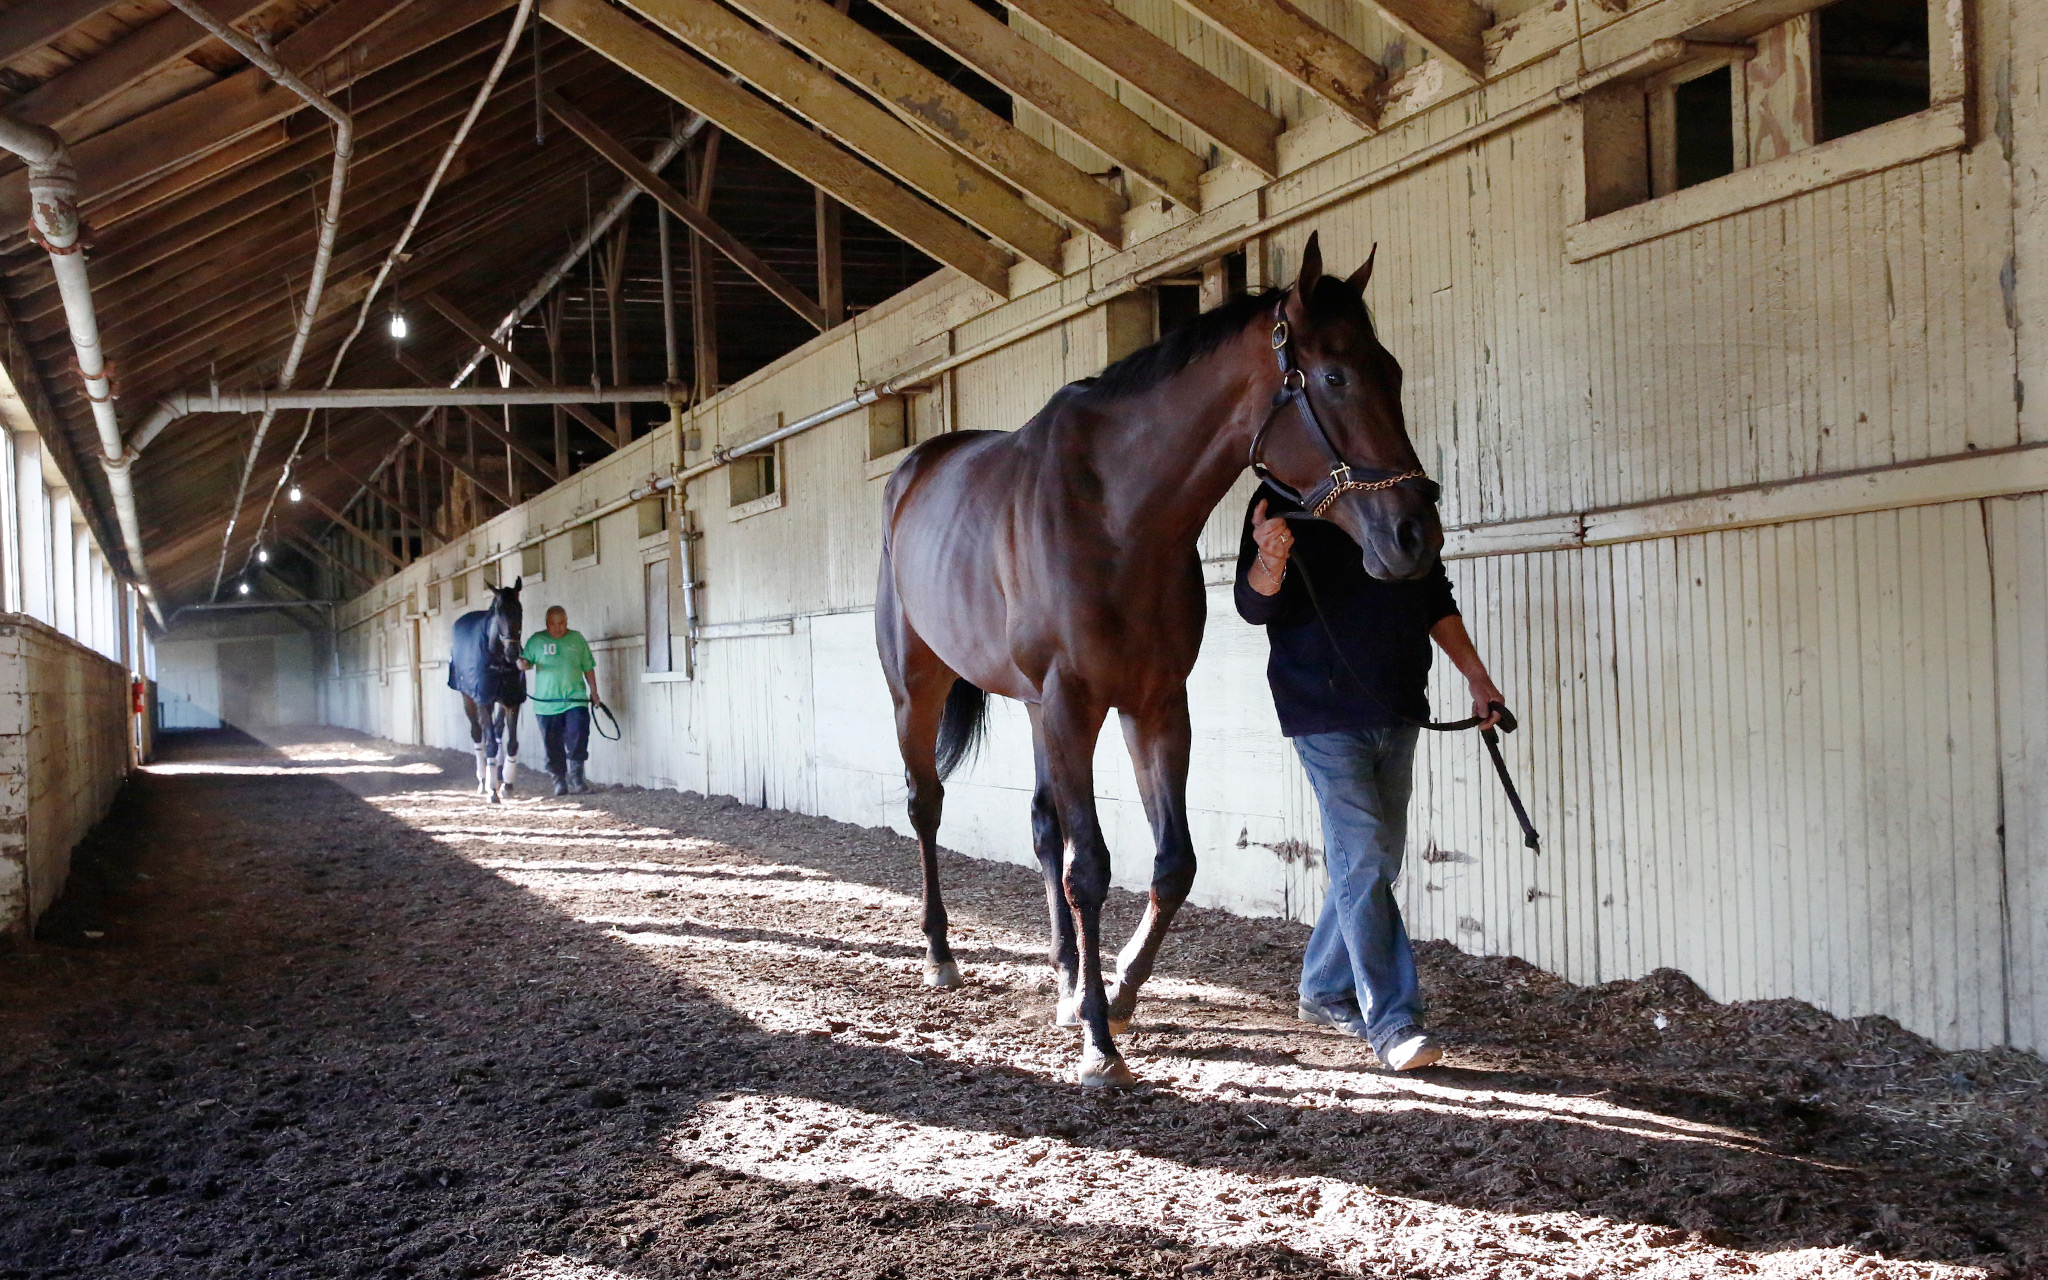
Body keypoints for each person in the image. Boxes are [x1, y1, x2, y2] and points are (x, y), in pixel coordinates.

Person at [1235, 487, 1505, 1071]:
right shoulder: (1280, 502)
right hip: (1324, 715)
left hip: (1399, 707)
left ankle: (1323, 987)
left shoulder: (1396, 497)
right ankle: (1392, 1021)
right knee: (1364, 855)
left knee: (1375, 860)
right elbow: (1254, 606)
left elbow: (1434, 596)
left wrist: (1478, 679)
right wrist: (1270, 559)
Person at [518, 605, 603, 795]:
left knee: (578, 734)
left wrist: (594, 692)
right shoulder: (536, 641)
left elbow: (588, 667)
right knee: (552, 744)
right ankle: (559, 780)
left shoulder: (577, 639)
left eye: (562, 623)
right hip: (546, 704)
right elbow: (525, 662)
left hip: (575, 699)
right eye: (554, 624)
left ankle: (577, 777)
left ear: (567, 622)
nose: (558, 628)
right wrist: (521, 664)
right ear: (547, 624)